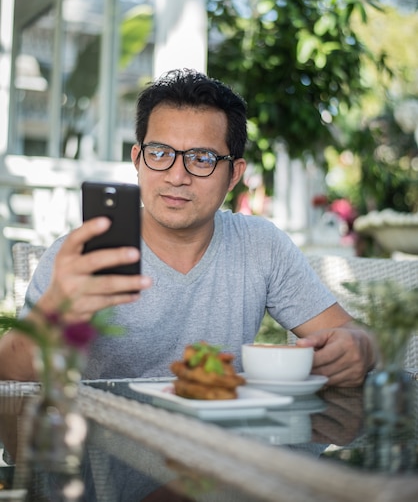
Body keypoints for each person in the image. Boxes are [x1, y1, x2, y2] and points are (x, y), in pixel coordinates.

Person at [0, 68, 376, 385]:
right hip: (104, 462)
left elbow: (353, 334)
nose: (177, 176)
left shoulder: (261, 245)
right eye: (160, 153)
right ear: (138, 160)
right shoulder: (82, 255)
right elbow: (10, 381)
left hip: (221, 459)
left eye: (202, 158)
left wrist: (359, 348)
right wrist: (55, 310)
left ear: (234, 175)